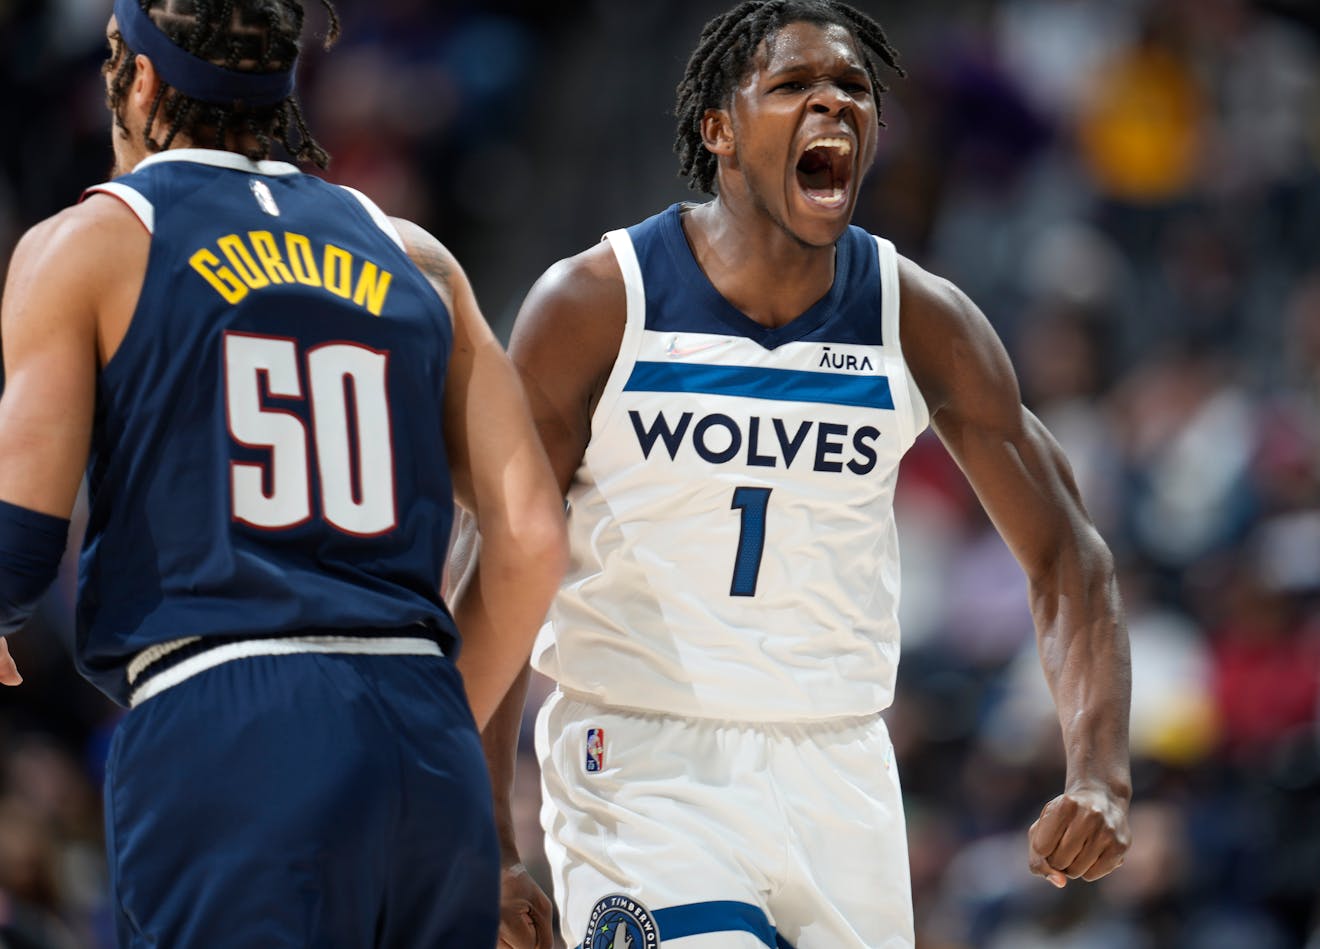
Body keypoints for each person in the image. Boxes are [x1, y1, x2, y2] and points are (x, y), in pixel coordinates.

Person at [488, 1, 1133, 947]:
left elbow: (1071, 557)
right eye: (793, 85)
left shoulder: (916, 317)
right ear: (719, 128)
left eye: (853, 89)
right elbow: (495, 560)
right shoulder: (596, 303)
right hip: (642, 759)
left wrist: (1099, 772)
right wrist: (487, 824)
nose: (832, 105)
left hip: (843, 768)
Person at [0, 0, 566, 946]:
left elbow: (19, 540)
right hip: (421, 737)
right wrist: (420, 710)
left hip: (226, 724)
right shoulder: (412, 252)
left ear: (137, 79)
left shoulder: (90, 242)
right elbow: (532, 533)